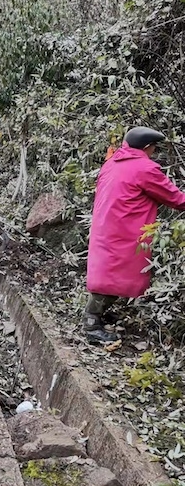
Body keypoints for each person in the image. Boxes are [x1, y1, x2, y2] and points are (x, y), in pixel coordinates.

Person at [84, 126, 185, 344]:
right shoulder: (145, 169)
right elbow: (177, 199)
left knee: (108, 272)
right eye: (154, 149)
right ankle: (91, 324)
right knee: (113, 274)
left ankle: (100, 315)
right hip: (125, 230)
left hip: (106, 225)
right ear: (147, 147)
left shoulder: (111, 163)